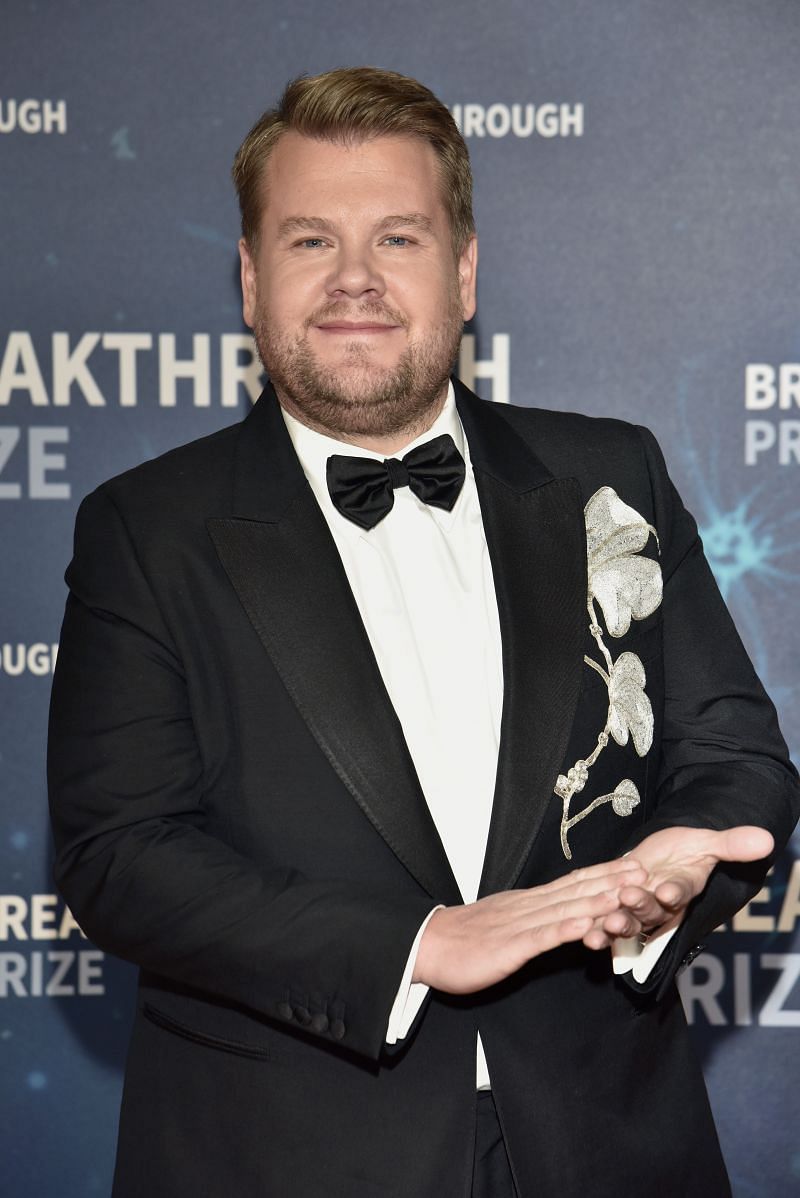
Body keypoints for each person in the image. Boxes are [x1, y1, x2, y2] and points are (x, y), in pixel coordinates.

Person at [48, 67, 798, 1198]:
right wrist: (415, 942)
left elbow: (735, 760)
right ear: (250, 280)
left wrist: (659, 883)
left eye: (397, 237)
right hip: (284, 1156)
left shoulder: (610, 475)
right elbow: (121, 854)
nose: (355, 279)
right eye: (309, 242)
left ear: (463, 270)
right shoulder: (147, 531)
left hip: (606, 1145)